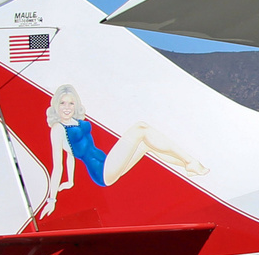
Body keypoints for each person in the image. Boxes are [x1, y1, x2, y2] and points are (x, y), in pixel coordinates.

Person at [39, 84, 208, 218]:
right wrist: (52, 199)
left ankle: (187, 167)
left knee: (146, 145)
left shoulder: (76, 122)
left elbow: (70, 156)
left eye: (71, 103)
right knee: (141, 128)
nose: (67, 107)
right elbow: (58, 164)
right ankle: (190, 162)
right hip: (101, 172)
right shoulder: (57, 129)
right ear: (56, 105)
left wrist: (70, 182)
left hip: (106, 162)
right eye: (62, 103)